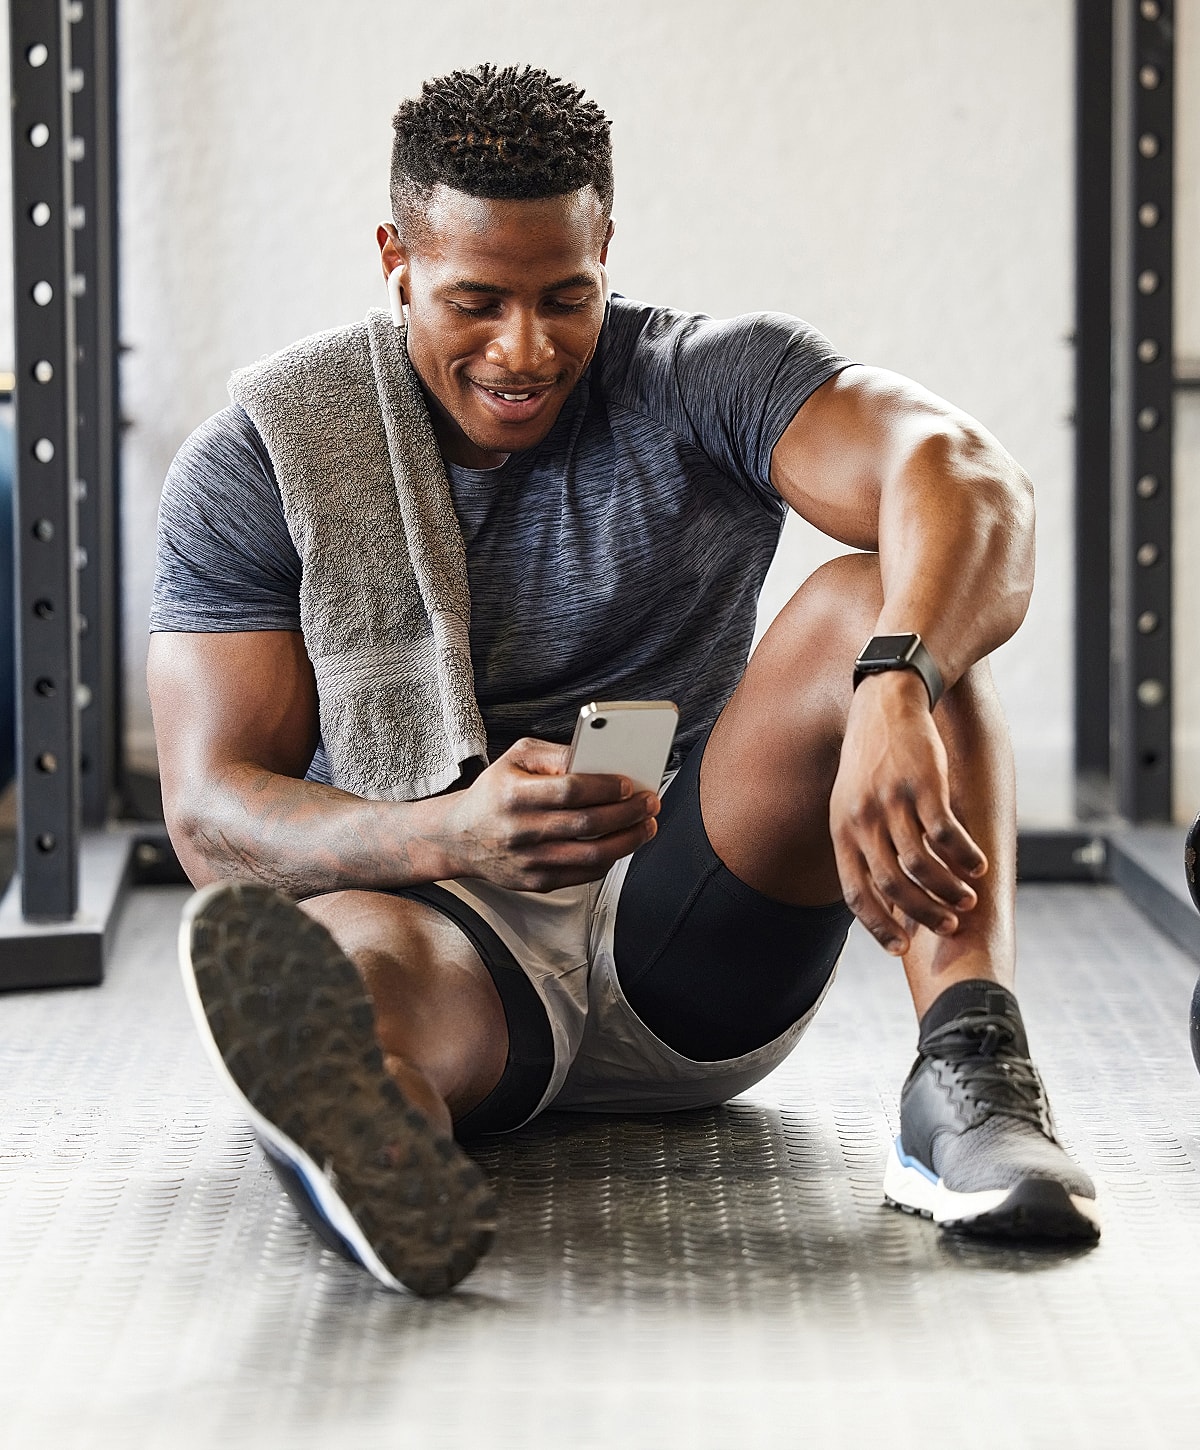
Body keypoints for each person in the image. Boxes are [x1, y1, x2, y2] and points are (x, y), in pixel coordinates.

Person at [149, 63, 1100, 1298]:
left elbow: (963, 473)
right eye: (475, 302)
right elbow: (210, 813)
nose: (525, 350)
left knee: (886, 601)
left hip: (696, 923)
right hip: (447, 931)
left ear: (609, 249)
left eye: (566, 298)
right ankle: (370, 1140)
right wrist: (455, 828)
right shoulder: (264, 458)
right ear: (395, 257)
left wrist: (898, 679)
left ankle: (970, 1076)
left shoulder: (703, 377)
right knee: (347, 971)